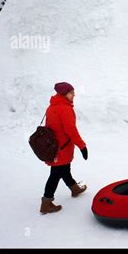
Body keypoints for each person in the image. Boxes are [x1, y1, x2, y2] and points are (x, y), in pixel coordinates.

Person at [40, 82, 89, 214]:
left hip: (55, 147)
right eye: (71, 92)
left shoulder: (52, 107)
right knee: (55, 174)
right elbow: (71, 131)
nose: (74, 94)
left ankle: (74, 189)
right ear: (64, 94)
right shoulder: (65, 108)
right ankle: (46, 203)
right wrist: (82, 146)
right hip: (62, 147)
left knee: (64, 169)